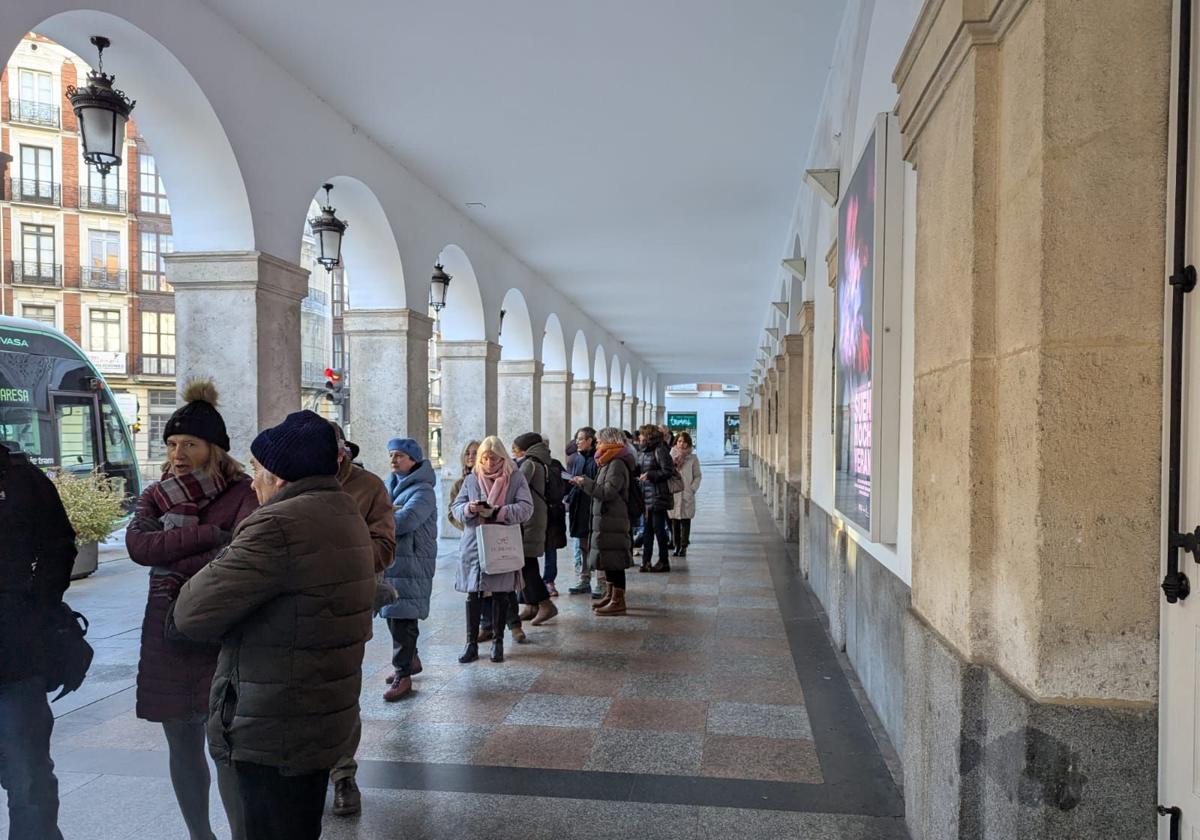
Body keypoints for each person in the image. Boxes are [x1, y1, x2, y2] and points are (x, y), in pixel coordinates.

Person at [173, 410, 375, 840]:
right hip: (317, 715)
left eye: (258, 471)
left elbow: (190, 612)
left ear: (280, 477)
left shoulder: (277, 524)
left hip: (271, 724)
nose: (252, 482)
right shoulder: (343, 509)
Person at [125, 380, 257, 840]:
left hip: (220, 633)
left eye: (190, 444)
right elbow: (139, 546)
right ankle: (200, 835)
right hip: (168, 636)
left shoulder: (242, 494)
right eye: (172, 443)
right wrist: (206, 535)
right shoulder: (158, 493)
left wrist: (177, 550)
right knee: (181, 745)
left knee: (225, 748)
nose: (178, 452)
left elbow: (237, 560)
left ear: (214, 450)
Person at [0, 442, 76, 840]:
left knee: (28, 778)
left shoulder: (22, 480)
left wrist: (33, 607)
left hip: (15, 658)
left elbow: (60, 547)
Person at [329, 423, 396, 818]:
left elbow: (385, 548)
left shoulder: (368, 486)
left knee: (341, 690)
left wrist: (331, 551)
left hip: (347, 602)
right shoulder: (287, 482)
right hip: (293, 604)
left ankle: (342, 775)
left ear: (343, 451)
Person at [451, 436, 534, 663]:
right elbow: (456, 508)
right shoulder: (472, 478)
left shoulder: (515, 477)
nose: (489, 462)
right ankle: (471, 644)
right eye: (484, 458)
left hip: (501, 544)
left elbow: (526, 509)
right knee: (473, 594)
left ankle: (498, 641)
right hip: (474, 544)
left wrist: (497, 512)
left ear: (502, 457)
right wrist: (470, 508)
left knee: (500, 595)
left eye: (493, 458)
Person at [380, 438, 438, 702]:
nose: (393, 460)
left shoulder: (423, 490)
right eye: (391, 455)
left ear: (413, 460)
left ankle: (403, 675)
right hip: (394, 560)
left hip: (413, 562)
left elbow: (406, 521)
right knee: (392, 615)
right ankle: (410, 660)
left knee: (404, 618)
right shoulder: (390, 485)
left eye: (399, 456)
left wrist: (382, 516)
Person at [571, 427, 637, 616]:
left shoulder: (616, 463)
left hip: (613, 518)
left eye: (599, 441)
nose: (597, 444)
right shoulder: (607, 461)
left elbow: (608, 492)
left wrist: (586, 483)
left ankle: (618, 600)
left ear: (609, 442)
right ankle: (610, 595)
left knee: (614, 560)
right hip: (607, 518)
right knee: (608, 559)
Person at [511, 432, 559, 627]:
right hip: (537, 518)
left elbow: (515, 487)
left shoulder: (530, 463)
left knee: (526, 563)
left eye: (514, 448)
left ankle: (545, 603)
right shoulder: (543, 460)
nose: (512, 452)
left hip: (529, 521)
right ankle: (531, 605)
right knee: (527, 561)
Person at [636, 424, 675, 573]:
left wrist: (651, 475)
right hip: (646, 496)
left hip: (658, 496)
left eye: (641, 434)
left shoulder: (660, 450)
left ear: (648, 436)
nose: (639, 437)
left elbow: (668, 470)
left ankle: (664, 561)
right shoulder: (644, 451)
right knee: (647, 531)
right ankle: (646, 561)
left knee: (659, 530)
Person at [566, 427, 600, 596]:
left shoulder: (597, 459)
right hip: (579, 506)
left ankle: (601, 582)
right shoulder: (578, 459)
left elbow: (599, 484)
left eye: (581, 439)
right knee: (582, 545)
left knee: (597, 545)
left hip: (593, 506)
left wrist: (583, 482)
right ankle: (584, 578)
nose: (577, 442)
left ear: (590, 440)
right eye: (577, 438)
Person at [540, 435, 569, 597]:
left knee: (551, 549)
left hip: (552, 514)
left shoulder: (555, 464)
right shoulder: (530, 465)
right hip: (536, 513)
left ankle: (549, 581)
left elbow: (566, 482)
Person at [668, 431, 703, 558]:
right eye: (679, 441)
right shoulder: (670, 456)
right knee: (674, 521)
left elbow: (698, 476)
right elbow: (667, 473)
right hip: (674, 493)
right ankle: (676, 544)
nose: (681, 444)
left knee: (685, 520)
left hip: (686, 492)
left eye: (684, 441)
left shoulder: (693, 458)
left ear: (688, 443)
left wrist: (692, 489)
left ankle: (683, 546)